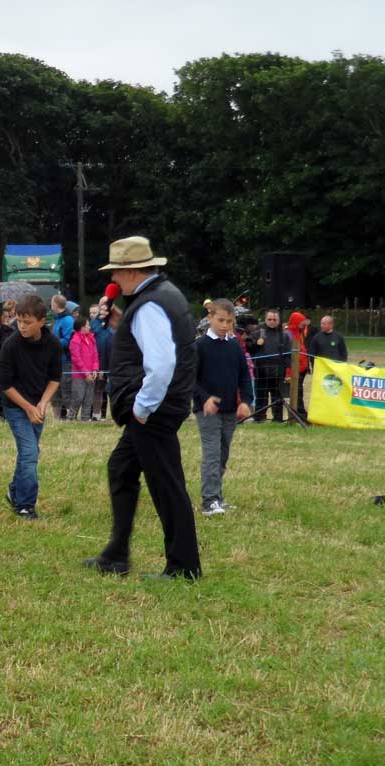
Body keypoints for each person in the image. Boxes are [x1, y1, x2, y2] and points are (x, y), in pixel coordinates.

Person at [85, 237, 200, 580]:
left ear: (132, 272)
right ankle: (116, 555)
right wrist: (123, 320)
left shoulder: (149, 306)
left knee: (166, 485)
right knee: (121, 468)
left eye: (118, 273)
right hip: (162, 405)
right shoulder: (162, 296)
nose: (115, 281)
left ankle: (183, 568)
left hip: (153, 410)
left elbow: (161, 363)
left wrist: (142, 407)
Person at [0, 293, 61, 521]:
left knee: (30, 453)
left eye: (27, 322)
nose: (21, 326)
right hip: (15, 406)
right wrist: (28, 407)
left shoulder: (53, 344)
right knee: (30, 452)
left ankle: (14, 491)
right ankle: (25, 506)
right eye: (19, 321)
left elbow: (55, 378)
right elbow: (5, 385)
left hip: (37, 405)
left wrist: (43, 403)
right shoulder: (10, 345)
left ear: (42, 321)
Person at [194, 299, 254, 516]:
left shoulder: (234, 346)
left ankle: (217, 496)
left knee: (222, 454)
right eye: (220, 320)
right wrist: (204, 399)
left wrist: (246, 401)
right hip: (207, 411)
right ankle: (208, 500)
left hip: (230, 410)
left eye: (229, 321)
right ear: (210, 318)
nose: (224, 325)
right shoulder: (200, 346)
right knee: (212, 453)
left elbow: (244, 376)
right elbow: (191, 379)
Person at [249, 309, 292, 422]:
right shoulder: (257, 333)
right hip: (261, 371)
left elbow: (288, 355)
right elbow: (248, 347)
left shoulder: (284, 336)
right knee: (261, 397)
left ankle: (277, 418)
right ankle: (259, 418)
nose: (272, 321)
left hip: (278, 372)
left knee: (277, 397)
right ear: (265, 319)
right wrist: (255, 343)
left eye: (274, 319)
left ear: (278, 320)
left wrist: (287, 372)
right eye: (269, 319)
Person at [68, 314, 99, 422]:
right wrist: (86, 373)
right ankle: (71, 418)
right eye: (87, 325)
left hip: (91, 374)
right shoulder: (75, 340)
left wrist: (95, 369)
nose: (89, 327)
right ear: (82, 327)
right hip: (79, 375)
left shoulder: (91, 339)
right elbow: (76, 359)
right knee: (78, 397)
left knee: (88, 398)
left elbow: (95, 355)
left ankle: (85, 419)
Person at [287, 311, 311, 416]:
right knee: (297, 393)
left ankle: (300, 413)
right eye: (301, 322)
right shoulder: (289, 335)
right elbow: (287, 356)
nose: (303, 325)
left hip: (302, 369)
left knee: (299, 392)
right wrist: (288, 373)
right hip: (294, 370)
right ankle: (300, 414)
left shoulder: (300, 333)